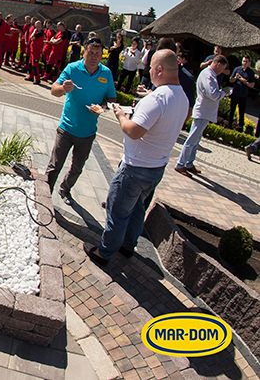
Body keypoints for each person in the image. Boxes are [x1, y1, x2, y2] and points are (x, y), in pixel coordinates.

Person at [84, 50, 189, 265]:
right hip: (156, 167)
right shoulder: (182, 97)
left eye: (150, 68)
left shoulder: (158, 98)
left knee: (117, 210)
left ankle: (105, 252)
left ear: (159, 70)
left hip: (135, 167)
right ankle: (128, 245)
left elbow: (133, 131)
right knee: (137, 209)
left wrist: (120, 115)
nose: (148, 72)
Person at [47, 38, 118, 205]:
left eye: (98, 54)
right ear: (84, 52)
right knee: (54, 165)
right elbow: (53, 90)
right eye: (91, 53)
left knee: (77, 168)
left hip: (87, 133)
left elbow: (112, 100)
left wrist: (102, 108)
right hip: (66, 128)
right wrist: (63, 88)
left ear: (102, 55)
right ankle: (45, 193)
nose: (94, 57)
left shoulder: (106, 73)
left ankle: (65, 189)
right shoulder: (72, 68)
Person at [173, 55, 230, 176]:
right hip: (203, 111)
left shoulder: (210, 75)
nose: (221, 72)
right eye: (222, 68)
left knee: (196, 140)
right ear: (218, 64)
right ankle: (180, 163)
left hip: (205, 112)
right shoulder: (208, 75)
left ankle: (188, 162)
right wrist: (223, 92)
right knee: (192, 139)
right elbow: (213, 94)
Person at [228, 55, 255, 132]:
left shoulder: (251, 72)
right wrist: (235, 78)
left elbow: (252, 85)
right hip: (235, 93)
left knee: (241, 112)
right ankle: (229, 126)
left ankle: (240, 128)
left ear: (249, 63)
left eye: (246, 62)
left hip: (243, 95)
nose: (244, 63)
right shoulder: (237, 69)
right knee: (231, 110)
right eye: (243, 61)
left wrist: (245, 82)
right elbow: (231, 80)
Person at [25, 19, 45, 84]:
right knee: (30, 64)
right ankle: (31, 76)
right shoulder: (38, 31)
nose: (35, 27)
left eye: (36, 26)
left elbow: (32, 37)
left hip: (36, 51)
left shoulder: (40, 32)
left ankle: (37, 79)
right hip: (33, 50)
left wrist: (34, 31)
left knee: (35, 65)